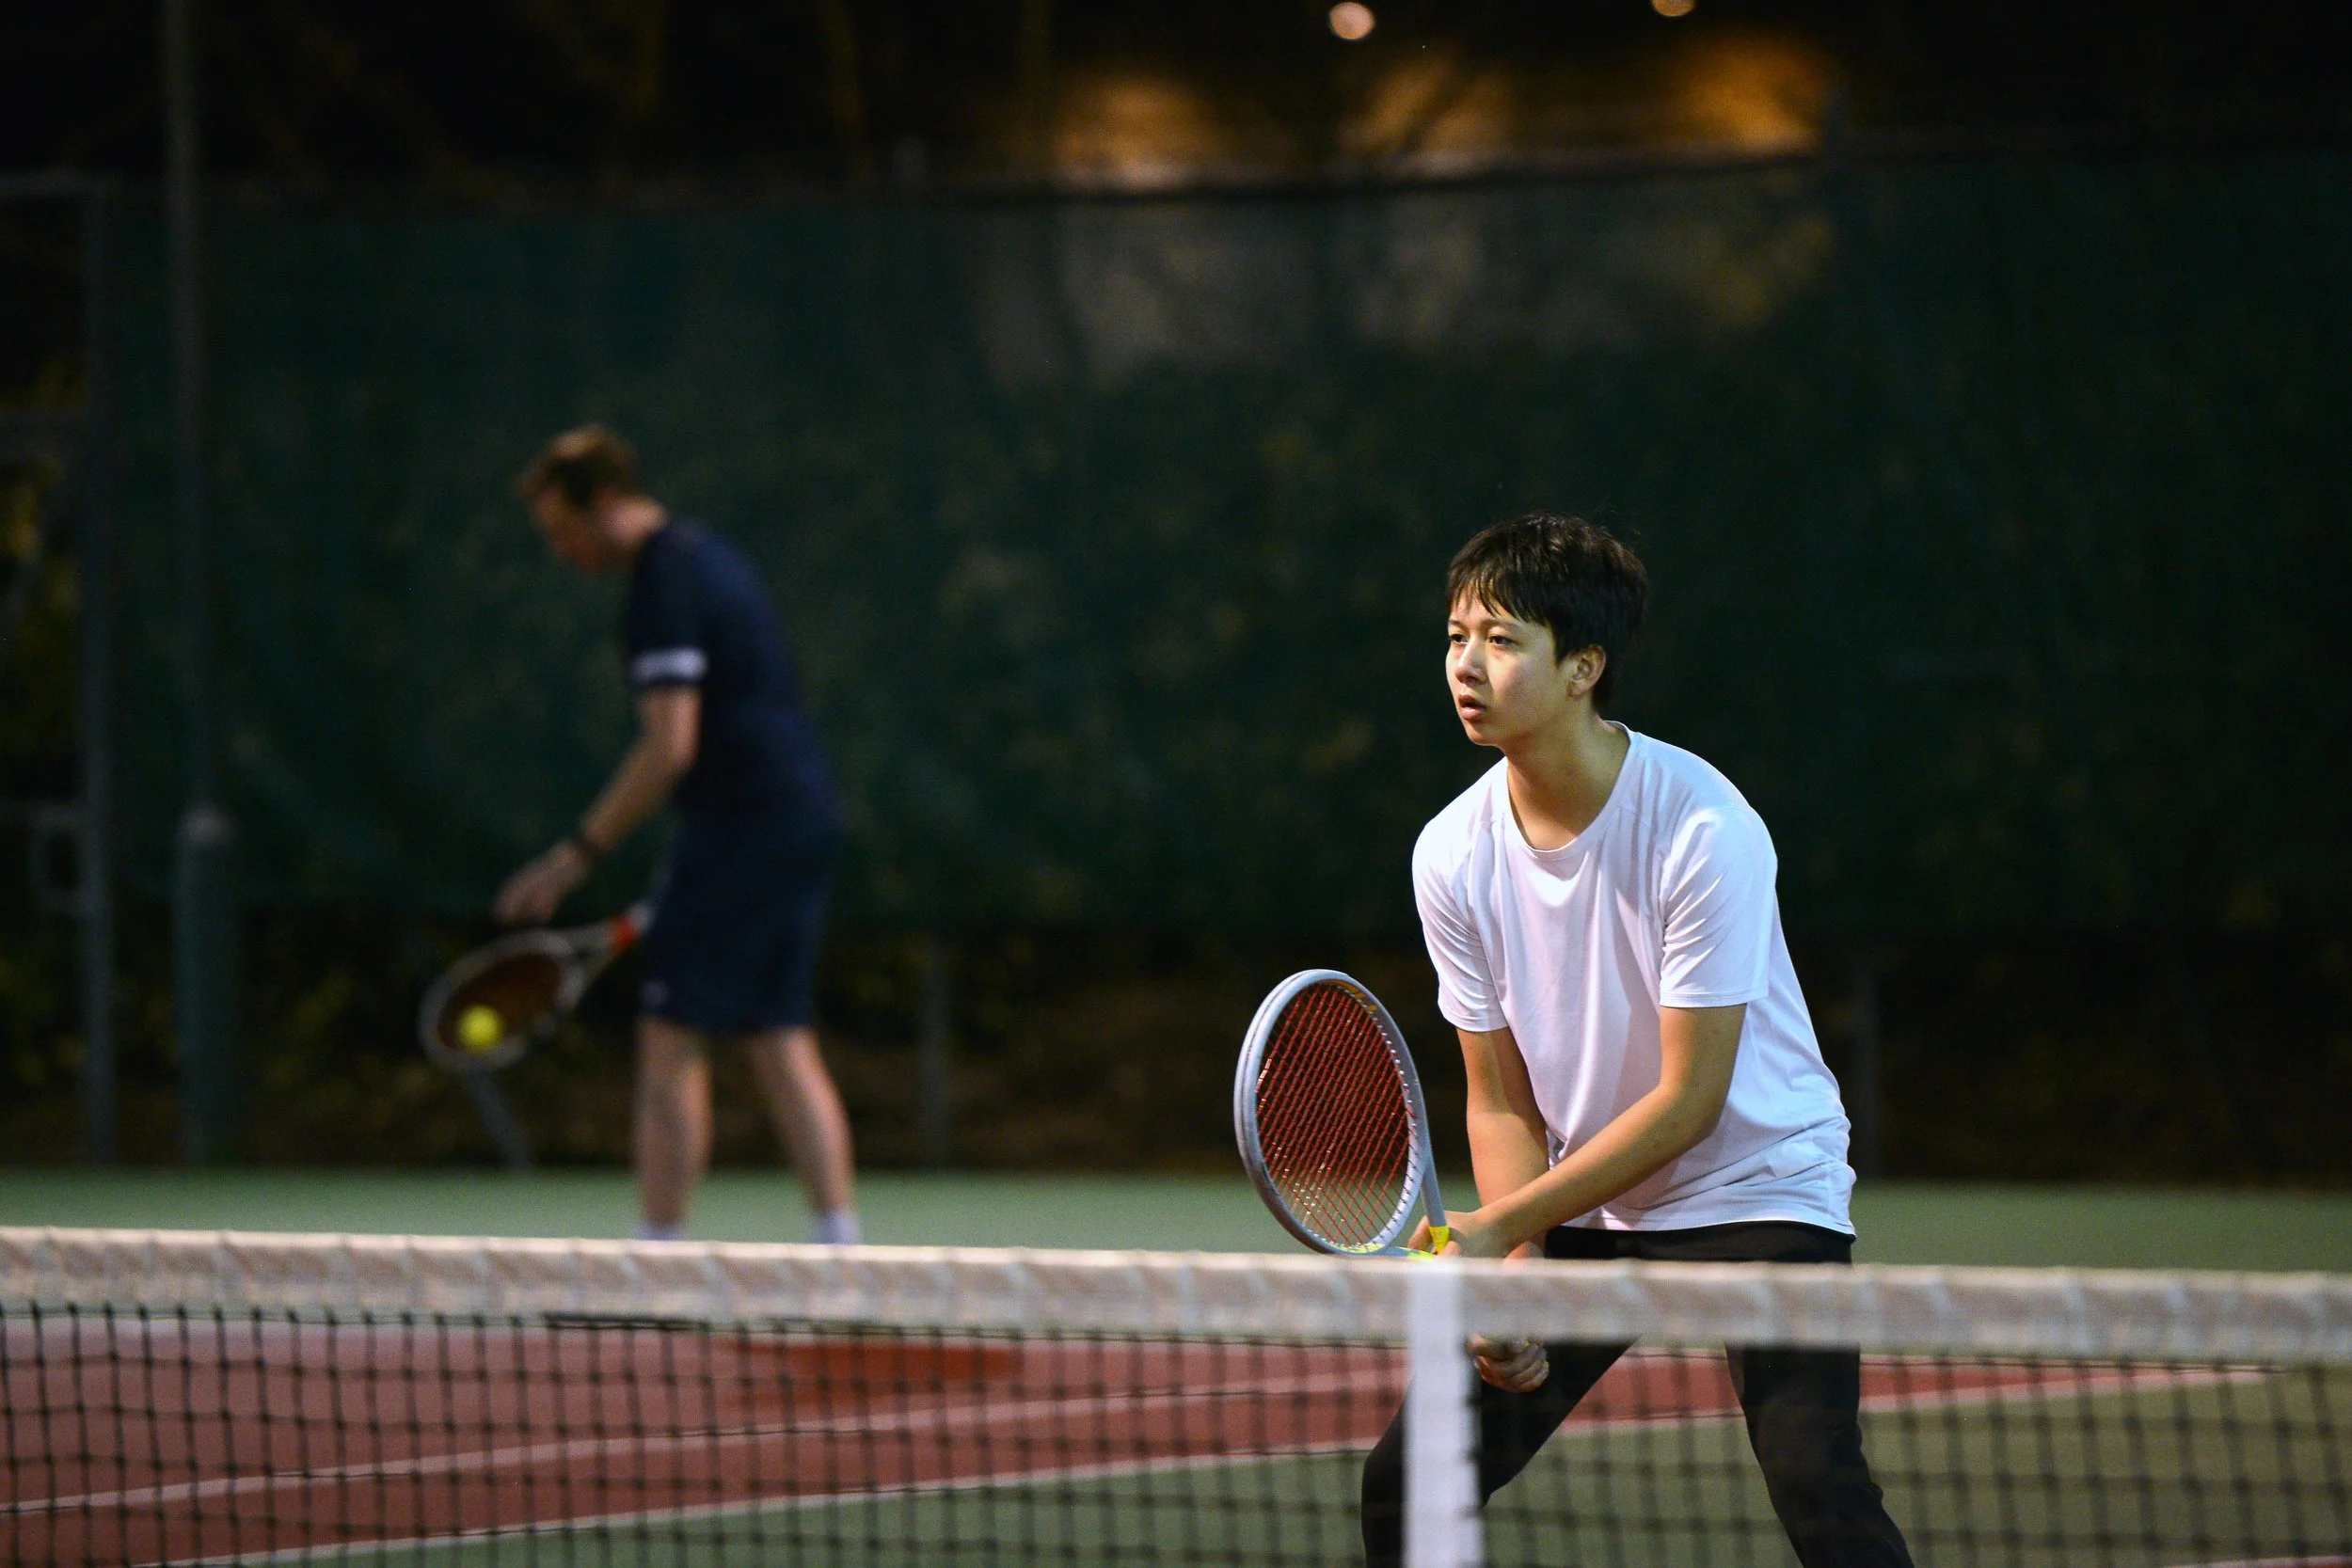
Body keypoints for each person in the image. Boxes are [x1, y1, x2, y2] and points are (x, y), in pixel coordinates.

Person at [1360, 513, 1912, 1567]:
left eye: (1502, 639)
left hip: (1757, 1185)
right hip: (1590, 1197)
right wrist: (1517, 1269)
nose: (1465, 666)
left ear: (1583, 667)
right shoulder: (1450, 854)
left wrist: (1505, 1223)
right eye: (1453, 636)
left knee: (1818, 1488)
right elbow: (1500, 1097)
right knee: (1408, 1478)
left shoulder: (1703, 828)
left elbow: (1688, 1101)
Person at [496, 425, 860, 1246]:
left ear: (606, 504)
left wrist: (574, 856)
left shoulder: (663, 581)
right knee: (779, 1036)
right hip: (800, 816)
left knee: (669, 1035)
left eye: (563, 530)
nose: (561, 553)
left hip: (745, 827)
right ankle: (844, 1252)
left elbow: (671, 746)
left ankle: (658, 1253)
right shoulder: (710, 557)